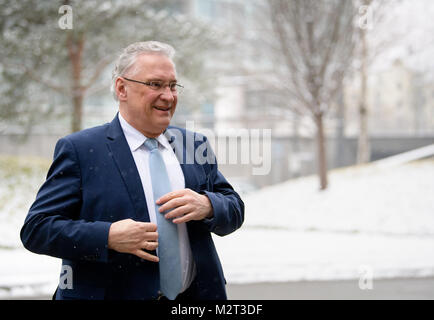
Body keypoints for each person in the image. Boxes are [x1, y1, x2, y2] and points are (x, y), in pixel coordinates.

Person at [20, 41, 244, 300]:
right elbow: (37, 229)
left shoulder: (194, 145)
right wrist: (108, 236)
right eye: (155, 84)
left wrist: (208, 205)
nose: (169, 96)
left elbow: (235, 208)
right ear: (121, 88)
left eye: (172, 86)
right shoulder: (80, 149)